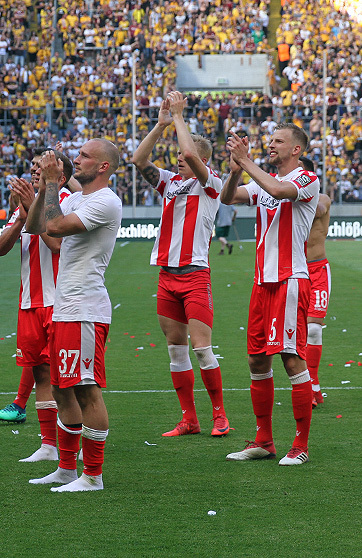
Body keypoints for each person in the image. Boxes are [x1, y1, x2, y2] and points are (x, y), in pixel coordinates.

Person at [11, 140, 122, 492]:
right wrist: (42, 189)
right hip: (65, 307)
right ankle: (65, 469)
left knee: (86, 390)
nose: (77, 159)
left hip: (85, 309)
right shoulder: (76, 199)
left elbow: (55, 227)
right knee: (61, 390)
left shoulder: (106, 200)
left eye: (85, 156)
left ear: (103, 166)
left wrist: (50, 183)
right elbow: (36, 227)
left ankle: (93, 475)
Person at [131, 90, 230, 438]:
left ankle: (220, 414)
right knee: (176, 351)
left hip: (195, 276)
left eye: (183, 159)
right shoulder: (170, 183)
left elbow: (189, 151)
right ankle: (189, 419)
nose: (178, 162)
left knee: (202, 349)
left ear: (203, 161)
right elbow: (138, 159)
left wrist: (178, 116)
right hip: (167, 277)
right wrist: (161, 125)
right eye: (174, 159)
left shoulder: (211, 184)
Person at [220, 123, 318, 466]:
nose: (271, 145)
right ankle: (264, 441)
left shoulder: (306, 179)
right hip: (262, 282)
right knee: (257, 360)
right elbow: (228, 197)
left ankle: (300, 445)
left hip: (290, 280)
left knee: (291, 359)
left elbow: (278, 190)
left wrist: (246, 161)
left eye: (278, 141)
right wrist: (236, 170)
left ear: (296, 149)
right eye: (270, 140)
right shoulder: (262, 181)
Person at [0, 149, 75, 463]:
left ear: (60, 175)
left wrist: (31, 210)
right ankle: (48, 446)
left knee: (65, 379)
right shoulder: (25, 205)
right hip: (29, 303)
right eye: (34, 165)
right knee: (41, 375)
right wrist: (21, 216)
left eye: (43, 165)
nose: (35, 169)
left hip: (59, 302)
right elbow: (0, 249)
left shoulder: (67, 201)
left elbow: (57, 244)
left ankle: (74, 444)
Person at [301, 157, 332, 407]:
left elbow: (318, 209)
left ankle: (312, 384)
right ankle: (310, 385)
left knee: (313, 329)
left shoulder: (322, 198)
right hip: (295, 271)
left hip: (318, 269)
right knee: (297, 331)